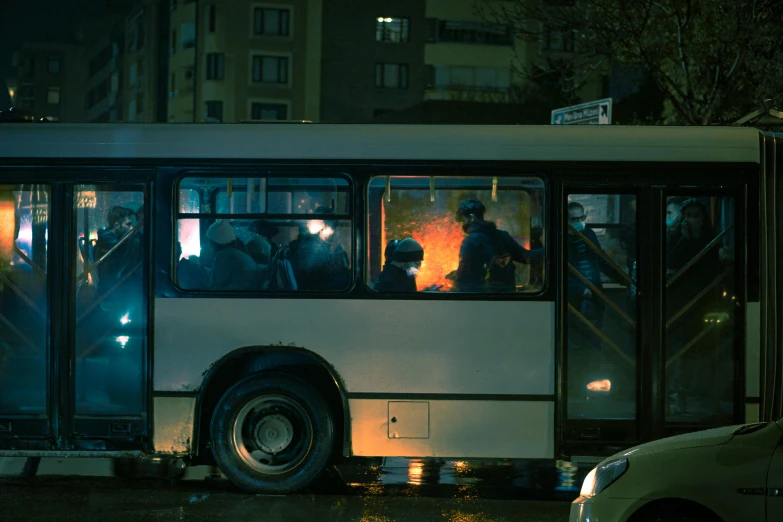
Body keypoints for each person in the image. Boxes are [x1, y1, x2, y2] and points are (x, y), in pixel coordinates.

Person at [665, 198, 720, 415]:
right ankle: (677, 395)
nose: (691, 220)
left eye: (696, 216)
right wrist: (684, 240)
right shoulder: (675, 237)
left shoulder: (710, 239)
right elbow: (670, 262)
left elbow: (708, 267)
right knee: (679, 350)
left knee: (703, 350)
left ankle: (704, 394)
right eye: (687, 216)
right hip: (679, 301)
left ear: (703, 219)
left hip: (703, 300)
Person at [451, 198, 542, 292]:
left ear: (471, 218)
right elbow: (528, 257)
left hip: (480, 298)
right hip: (507, 297)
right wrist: (550, 249)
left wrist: (449, 290)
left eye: (463, 220)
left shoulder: (470, 242)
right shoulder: (502, 236)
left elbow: (463, 280)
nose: (463, 224)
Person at [287, 207, 350, 291]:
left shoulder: (319, 246)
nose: (335, 232)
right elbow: (322, 280)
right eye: (333, 227)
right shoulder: (312, 249)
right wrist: (348, 277)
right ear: (324, 227)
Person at [205, 220, 260, 290]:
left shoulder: (223, 255)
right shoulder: (236, 253)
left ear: (215, 242)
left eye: (210, 241)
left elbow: (217, 283)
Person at [94, 206, 137, 287]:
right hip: (112, 289)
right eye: (128, 224)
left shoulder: (111, 238)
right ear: (117, 225)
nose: (131, 228)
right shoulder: (108, 241)